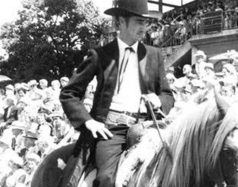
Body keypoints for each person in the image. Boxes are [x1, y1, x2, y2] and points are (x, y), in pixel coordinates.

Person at [59, 0, 175, 186]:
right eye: (139, 21)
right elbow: (69, 93)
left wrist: (159, 101)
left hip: (149, 128)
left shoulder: (154, 54)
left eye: (145, 22)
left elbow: (168, 95)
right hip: (111, 131)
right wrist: (89, 121)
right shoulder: (100, 55)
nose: (144, 27)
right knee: (106, 178)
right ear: (120, 22)